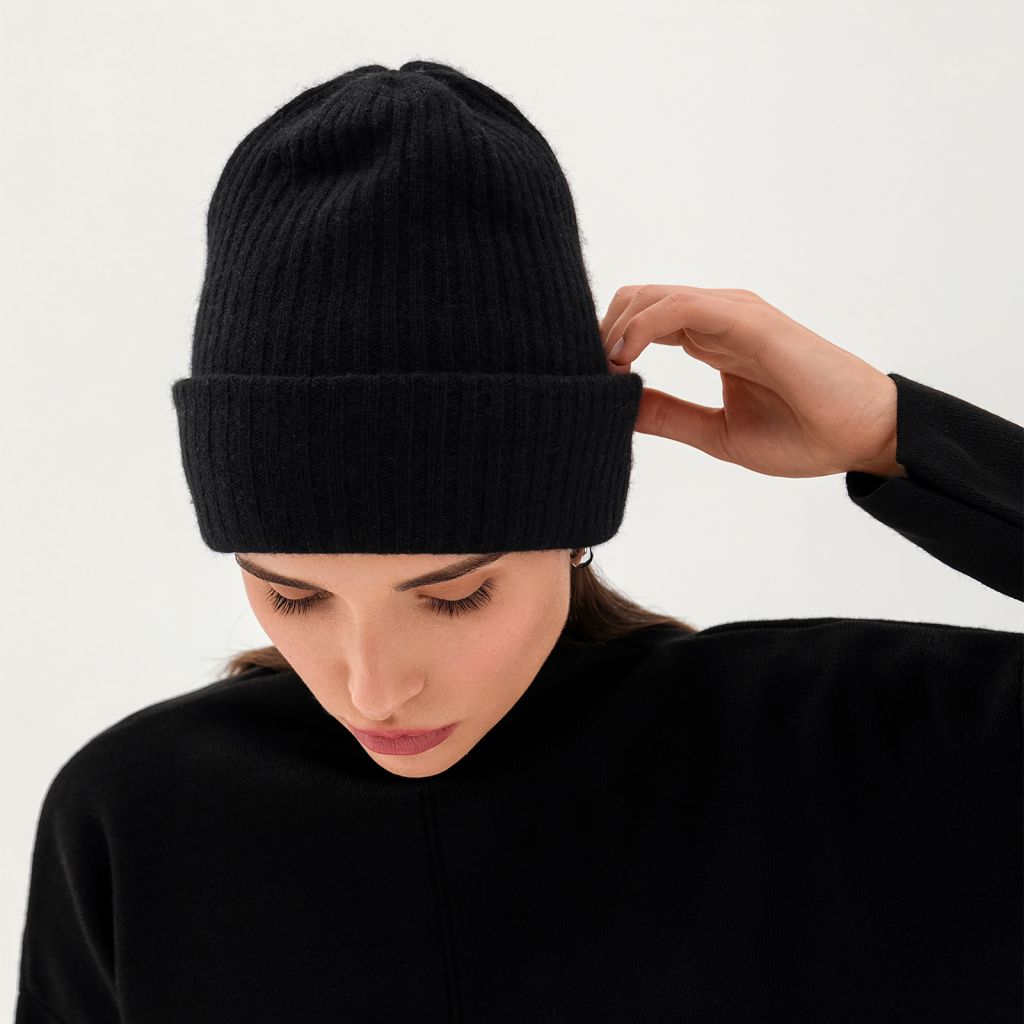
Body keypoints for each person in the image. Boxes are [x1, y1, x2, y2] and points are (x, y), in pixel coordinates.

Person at [14, 60, 1022, 1023]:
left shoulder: (843, 752)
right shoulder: (134, 818)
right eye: (293, 596)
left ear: (572, 528)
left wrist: (898, 436)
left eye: (455, 594)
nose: (374, 689)